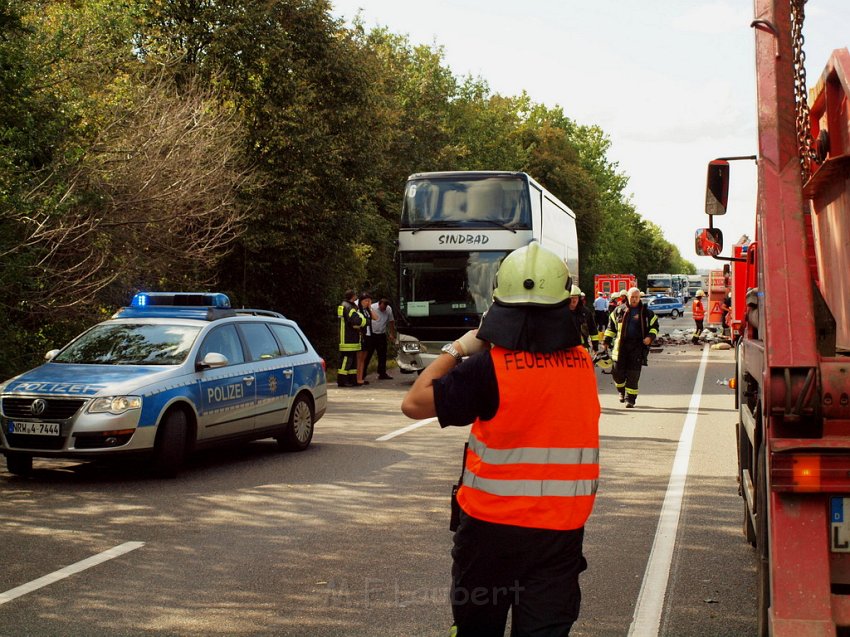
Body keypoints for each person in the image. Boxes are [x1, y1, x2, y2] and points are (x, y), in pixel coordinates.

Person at [401, 241, 600, 637]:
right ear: (565, 302)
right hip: (559, 536)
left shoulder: (487, 368)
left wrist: (459, 348)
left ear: (499, 304)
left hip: (489, 536)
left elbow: (414, 403)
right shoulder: (583, 364)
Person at [602, 287, 658, 408]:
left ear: (639, 298)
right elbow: (611, 328)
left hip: (637, 347)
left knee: (633, 375)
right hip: (621, 347)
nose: (634, 299)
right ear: (627, 297)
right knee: (617, 373)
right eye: (632, 297)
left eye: (636, 297)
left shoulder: (646, 312)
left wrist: (650, 337)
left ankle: (630, 399)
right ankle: (621, 391)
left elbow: (654, 327)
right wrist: (606, 340)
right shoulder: (618, 311)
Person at [337, 290, 365, 387]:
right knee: (346, 359)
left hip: (348, 337)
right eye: (355, 295)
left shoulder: (344, 305)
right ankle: (342, 380)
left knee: (352, 360)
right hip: (348, 338)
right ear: (352, 296)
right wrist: (364, 321)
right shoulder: (349, 307)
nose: (356, 297)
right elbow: (355, 321)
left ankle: (352, 380)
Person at [364, 297, 396, 380]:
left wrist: (392, 334)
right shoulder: (372, 308)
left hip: (381, 334)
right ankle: (362, 374)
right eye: (382, 308)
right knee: (368, 354)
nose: (383, 310)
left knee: (382, 355)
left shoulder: (388, 309)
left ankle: (382, 373)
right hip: (371, 335)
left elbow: (391, 321)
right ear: (379, 304)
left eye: (384, 308)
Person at [356, 292, 378, 386]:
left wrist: (369, 307)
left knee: (364, 358)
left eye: (369, 301)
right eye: (366, 301)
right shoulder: (358, 310)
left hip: (369, 335)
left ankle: (361, 377)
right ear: (361, 301)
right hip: (362, 335)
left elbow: (375, 317)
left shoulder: (367, 310)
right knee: (359, 358)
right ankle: (358, 378)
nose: (367, 302)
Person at [569, 286, 596, 351]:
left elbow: (593, 329)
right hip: (566, 348)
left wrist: (595, 346)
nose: (574, 300)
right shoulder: (561, 312)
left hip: (583, 348)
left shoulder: (586, 312)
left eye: (576, 298)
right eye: (572, 298)